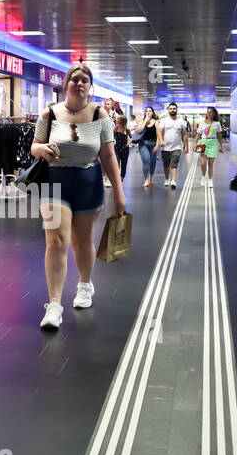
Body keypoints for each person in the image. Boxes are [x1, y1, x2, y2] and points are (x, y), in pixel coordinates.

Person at [32, 64, 126, 330]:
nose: (80, 84)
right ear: (66, 84)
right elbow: (34, 147)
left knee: (82, 240)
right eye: (75, 79)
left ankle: (84, 285)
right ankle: (54, 304)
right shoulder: (49, 114)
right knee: (57, 239)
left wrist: (118, 192)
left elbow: (108, 155)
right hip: (54, 180)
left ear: (90, 86)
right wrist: (42, 150)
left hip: (88, 180)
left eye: (85, 80)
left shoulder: (100, 114)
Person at [155, 102, 190, 188]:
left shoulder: (181, 122)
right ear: (168, 110)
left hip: (177, 147)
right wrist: (161, 140)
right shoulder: (164, 121)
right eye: (170, 109)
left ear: (177, 110)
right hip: (165, 147)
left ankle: (173, 181)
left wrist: (186, 146)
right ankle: (167, 179)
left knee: (174, 164)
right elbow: (159, 131)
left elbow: (185, 135)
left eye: (174, 109)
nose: (172, 110)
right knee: (166, 165)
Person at [133, 105, 159, 189]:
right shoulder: (142, 121)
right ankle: (146, 179)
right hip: (143, 144)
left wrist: (157, 145)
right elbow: (139, 130)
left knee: (153, 162)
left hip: (153, 143)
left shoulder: (156, 122)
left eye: (150, 111)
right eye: (146, 111)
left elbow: (159, 135)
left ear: (152, 113)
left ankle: (151, 176)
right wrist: (145, 121)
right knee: (146, 159)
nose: (148, 112)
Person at [197, 107, 221, 188]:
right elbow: (198, 134)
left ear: (214, 114)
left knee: (211, 164)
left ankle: (210, 180)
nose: (209, 113)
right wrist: (194, 143)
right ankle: (203, 177)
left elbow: (219, 135)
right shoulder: (202, 123)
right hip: (204, 143)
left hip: (213, 143)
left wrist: (221, 146)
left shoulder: (217, 123)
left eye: (211, 112)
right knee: (203, 163)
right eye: (208, 112)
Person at [112, 114, 130, 184]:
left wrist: (128, 144)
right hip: (117, 148)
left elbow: (131, 138)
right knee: (116, 162)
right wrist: (113, 142)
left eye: (117, 119)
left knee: (124, 163)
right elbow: (111, 136)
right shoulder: (115, 128)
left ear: (122, 121)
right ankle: (116, 177)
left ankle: (122, 177)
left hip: (125, 148)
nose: (116, 120)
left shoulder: (126, 129)